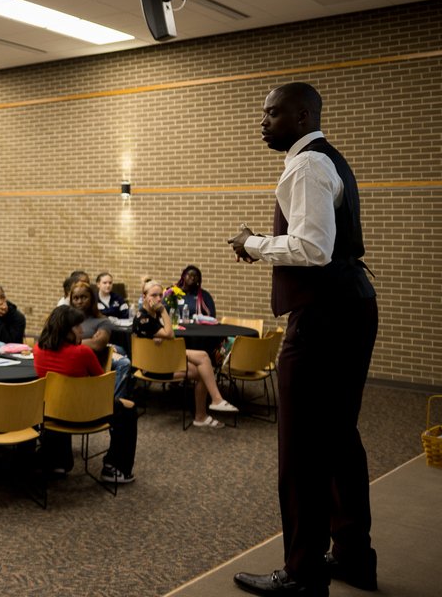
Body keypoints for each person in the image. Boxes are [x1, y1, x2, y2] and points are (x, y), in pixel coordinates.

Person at [229, 83, 379, 597]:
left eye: (272, 113)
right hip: (350, 306)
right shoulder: (325, 160)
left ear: (302, 114)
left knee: (301, 450)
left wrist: (251, 243)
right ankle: (354, 556)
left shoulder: (306, 165)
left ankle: (302, 573)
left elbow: (312, 248)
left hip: (323, 319)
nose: (263, 122)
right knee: (339, 439)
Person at [33, 305, 138, 483]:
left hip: (51, 412)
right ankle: (115, 468)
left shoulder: (37, 349)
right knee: (128, 408)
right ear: (67, 330)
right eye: (78, 327)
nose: (82, 331)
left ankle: (57, 461)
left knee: (61, 400)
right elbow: (102, 384)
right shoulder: (82, 352)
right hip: (84, 414)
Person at [133, 280, 237, 427]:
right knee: (203, 358)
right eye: (153, 295)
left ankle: (204, 413)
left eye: (160, 295)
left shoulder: (150, 314)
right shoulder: (144, 317)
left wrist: (159, 335)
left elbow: (162, 335)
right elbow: (170, 334)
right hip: (154, 367)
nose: (158, 299)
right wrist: (163, 311)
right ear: (144, 297)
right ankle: (212, 404)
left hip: (162, 358)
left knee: (203, 370)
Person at [68, 281, 132, 399]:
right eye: (75, 298)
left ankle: (115, 403)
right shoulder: (67, 319)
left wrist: (70, 342)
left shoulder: (102, 321)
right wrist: (89, 340)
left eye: (84, 297)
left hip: (96, 361)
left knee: (124, 362)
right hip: (70, 361)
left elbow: (98, 345)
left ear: (92, 299)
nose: (79, 301)